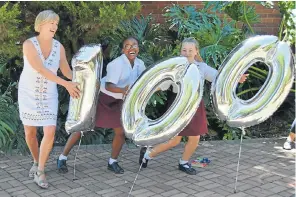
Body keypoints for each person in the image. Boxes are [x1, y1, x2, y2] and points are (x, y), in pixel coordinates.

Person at [139, 37, 248, 175]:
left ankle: (183, 162)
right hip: (177, 106)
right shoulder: (175, 67)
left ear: (196, 51)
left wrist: (236, 78)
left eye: (190, 50)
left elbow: (219, 77)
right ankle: (147, 154)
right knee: (174, 141)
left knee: (195, 137)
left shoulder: (202, 67)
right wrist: (145, 90)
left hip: (195, 105)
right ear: (180, 51)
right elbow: (161, 85)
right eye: (184, 50)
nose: (187, 52)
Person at [57, 37, 146, 174]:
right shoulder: (117, 64)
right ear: (123, 50)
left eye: (134, 45)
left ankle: (112, 162)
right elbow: (109, 86)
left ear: (138, 48)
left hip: (120, 101)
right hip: (103, 98)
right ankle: (62, 158)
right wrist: (123, 90)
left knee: (120, 132)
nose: (131, 48)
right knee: (82, 128)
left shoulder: (140, 64)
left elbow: (142, 84)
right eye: (127, 46)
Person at [18, 10, 80, 188]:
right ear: (41, 24)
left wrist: (82, 78)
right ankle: (36, 161)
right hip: (28, 92)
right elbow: (40, 69)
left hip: (49, 94)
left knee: (50, 131)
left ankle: (40, 171)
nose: (55, 26)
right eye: (51, 23)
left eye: (56, 24)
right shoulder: (29, 44)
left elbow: (67, 71)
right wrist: (66, 85)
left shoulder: (58, 47)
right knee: (30, 133)